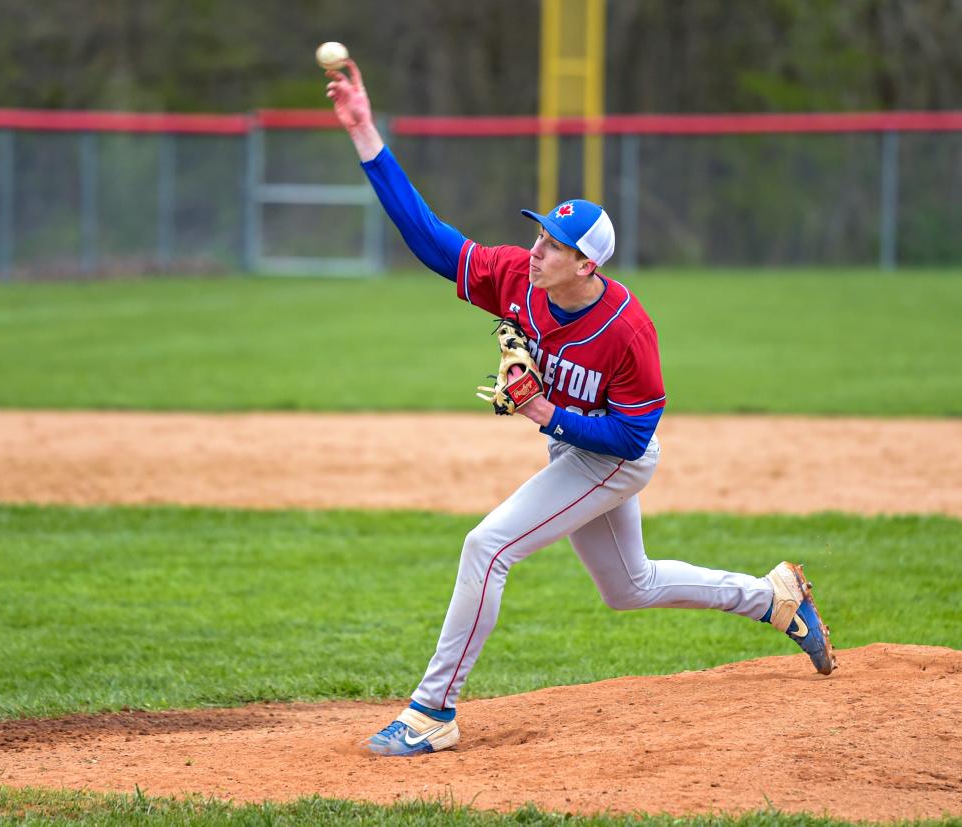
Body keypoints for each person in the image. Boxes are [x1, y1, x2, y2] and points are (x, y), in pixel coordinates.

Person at [324, 60, 836, 758]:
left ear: (587, 266)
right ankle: (772, 596)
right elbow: (428, 237)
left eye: (553, 247)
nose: (535, 251)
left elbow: (630, 437)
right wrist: (365, 133)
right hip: (573, 448)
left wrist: (543, 413)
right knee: (631, 585)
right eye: (538, 236)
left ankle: (432, 709)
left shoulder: (629, 329)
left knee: (488, 545)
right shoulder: (519, 279)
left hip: (613, 458)